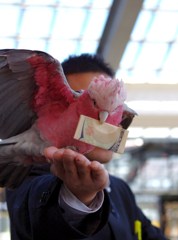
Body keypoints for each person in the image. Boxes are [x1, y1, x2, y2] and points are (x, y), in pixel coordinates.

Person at [5, 54, 168, 240]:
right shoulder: (28, 176)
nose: (102, 121)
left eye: (116, 110)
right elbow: (35, 217)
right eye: (89, 104)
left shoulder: (120, 189)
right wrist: (75, 196)